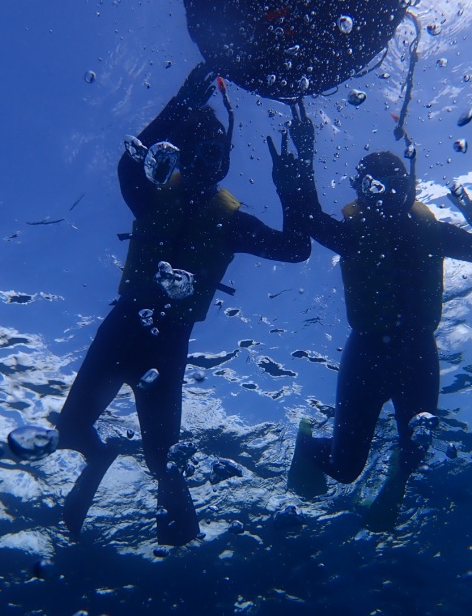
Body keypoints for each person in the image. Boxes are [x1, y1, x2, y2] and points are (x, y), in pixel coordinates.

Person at [56, 64, 314, 546]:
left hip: (167, 345)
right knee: (70, 429)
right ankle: (100, 458)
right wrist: (179, 104)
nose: (205, 163)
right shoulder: (153, 197)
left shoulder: (230, 221)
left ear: (225, 161)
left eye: (215, 155)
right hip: (122, 327)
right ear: (179, 158)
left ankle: (179, 548)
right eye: (195, 155)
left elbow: (296, 248)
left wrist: (294, 184)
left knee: (161, 459)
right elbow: (128, 163)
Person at [288, 145, 472, 530]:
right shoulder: (352, 235)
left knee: (415, 450)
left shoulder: (433, 233)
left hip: (419, 354)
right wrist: (304, 159)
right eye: (379, 188)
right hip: (367, 355)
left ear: (409, 188)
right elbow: (308, 217)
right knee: (344, 469)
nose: (390, 196)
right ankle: (306, 444)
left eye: (398, 186)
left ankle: (398, 477)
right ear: (362, 192)